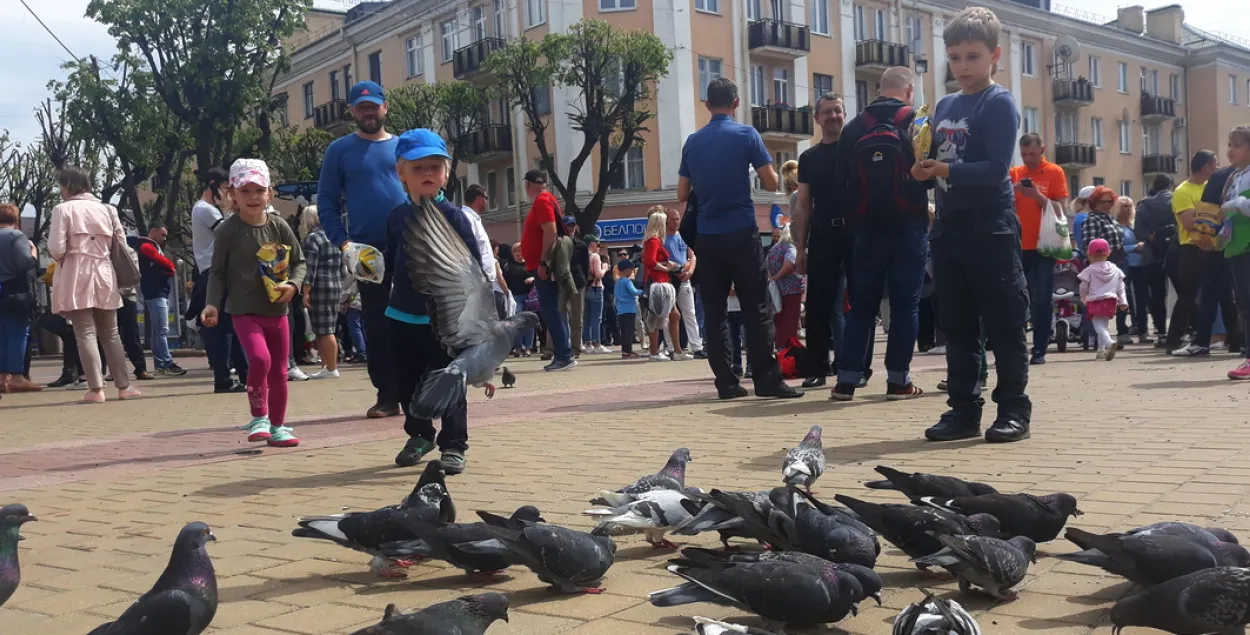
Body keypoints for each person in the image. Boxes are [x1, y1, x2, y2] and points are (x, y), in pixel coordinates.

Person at [911, 7, 1029, 443]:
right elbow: (942, 160)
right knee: (957, 325)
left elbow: (996, 168)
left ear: (994, 56)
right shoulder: (945, 104)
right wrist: (922, 170)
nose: (963, 66)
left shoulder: (998, 103)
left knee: (1003, 323)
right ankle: (963, 410)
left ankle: (1014, 410)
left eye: (973, 57)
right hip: (948, 228)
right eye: (955, 56)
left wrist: (941, 171)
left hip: (991, 227)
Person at [678, 77, 801, 400]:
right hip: (742, 231)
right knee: (756, 307)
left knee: (716, 311)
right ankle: (766, 380)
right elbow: (772, 182)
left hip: (707, 236)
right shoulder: (747, 134)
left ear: (707, 105)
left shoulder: (692, 141)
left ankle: (727, 383)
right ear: (736, 103)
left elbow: (681, 192)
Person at [385, 129, 480, 474]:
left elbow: (474, 270)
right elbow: (389, 263)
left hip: (447, 322)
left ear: (446, 173)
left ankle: (453, 444)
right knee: (406, 383)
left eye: (434, 167)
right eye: (418, 168)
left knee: (450, 383)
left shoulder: (456, 218)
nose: (427, 174)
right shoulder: (397, 217)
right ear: (401, 173)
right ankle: (420, 434)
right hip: (402, 316)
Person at [832, 66, 928, 401]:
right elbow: (928, 175)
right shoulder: (917, 122)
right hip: (909, 226)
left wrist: (855, 222)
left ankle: (846, 381)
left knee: (862, 307)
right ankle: (898, 381)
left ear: (877, 91)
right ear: (909, 90)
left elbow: (841, 182)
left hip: (867, 231)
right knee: (905, 305)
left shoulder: (854, 127)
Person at [317, 80, 410, 418]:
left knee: (417, 317)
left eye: (374, 105)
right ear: (353, 112)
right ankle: (387, 394)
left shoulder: (404, 146)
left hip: (409, 243)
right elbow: (326, 201)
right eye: (362, 107)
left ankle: (417, 388)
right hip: (366, 251)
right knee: (377, 322)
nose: (369, 111)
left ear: (385, 107)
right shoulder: (339, 150)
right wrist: (342, 243)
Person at [203, 159, 305, 447]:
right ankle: (259, 415)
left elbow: (299, 262)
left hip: (278, 310)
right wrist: (211, 304)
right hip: (244, 310)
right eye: (245, 190)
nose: (252, 197)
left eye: (258, 190)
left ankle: (279, 426)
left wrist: (293, 285)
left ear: (269, 194)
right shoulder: (228, 230)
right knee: (260, 359)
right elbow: (218, 272)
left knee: (280, 371)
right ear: (233, 194)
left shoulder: (280, 226)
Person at [47, 167, 143, 404]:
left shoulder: (63, 210)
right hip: (105, 272)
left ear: (68, 185)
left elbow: (56, 249)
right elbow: (121, 245)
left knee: (85, 333)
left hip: (75, 273)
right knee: (111, 333)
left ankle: (96, 389)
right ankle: (124, 385)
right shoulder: (108, 210)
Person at [792, 92, 852, 388]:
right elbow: (803, 204)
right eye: (827, 112)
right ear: (817, 119)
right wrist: (800, 246)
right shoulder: (809, 157)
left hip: (856, 232)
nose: (833, 116)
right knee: (818, 305)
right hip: (824, 235)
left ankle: (855, 367)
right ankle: (817, 368)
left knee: (861, 302)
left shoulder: (855, 150)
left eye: (838, 111)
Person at [1010, 132, 1069, 364]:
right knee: (1013, 297)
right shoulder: (1015, 173)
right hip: (1017, 246)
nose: (1028, 158)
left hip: (1044, 246)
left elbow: (1061, 210)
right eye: (1024, 154)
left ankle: (1040, 349)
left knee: (1042, 297)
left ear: (1042, 150)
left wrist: (1037, 196)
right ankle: (1015, 346)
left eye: (1032, 154)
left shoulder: (1054, 172)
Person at [191, 168, 247, 392]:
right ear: (213, 185)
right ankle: (224, 378)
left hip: (216, 271)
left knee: (229, 326)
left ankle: (241, 374)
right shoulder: (204, 209)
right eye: (225, 189)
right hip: (213, 273)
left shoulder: (206, 209)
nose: (227, 194)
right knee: (224, 327)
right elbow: (228, 232)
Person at [1165, 150, 1222, 355]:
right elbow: (1189, 223)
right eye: (1215, 163)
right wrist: (1211, 222)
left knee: (1216, 296)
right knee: (1188, 297)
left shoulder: (1211, 187)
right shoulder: (1182, 191)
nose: (1218, 166)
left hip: (1213, 247)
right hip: (1191, 248)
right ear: (1205, 167)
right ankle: (1173, 340)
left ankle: (1221, 338)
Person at [520, 170, 576, 371]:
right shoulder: (549, 198)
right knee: (551, 308)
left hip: (543, 265)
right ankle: (563, 353)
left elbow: (550, 231)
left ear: (528, 184)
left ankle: (564, 355)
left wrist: (543, 263)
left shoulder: (542, 201)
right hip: (543, 263)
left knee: (550, 309)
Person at [128, 224, 185, 376]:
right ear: (152, 231)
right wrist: (170, 267)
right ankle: (165, 362)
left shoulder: (147, 246)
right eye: (162, 234)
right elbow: (165, 263)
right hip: (156, 292)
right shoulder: (147, 246)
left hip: (156, 292)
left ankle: (161, 363)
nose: (164, 238)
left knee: (158, 330)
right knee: (161, 330)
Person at [1220, 126, 1250, 379]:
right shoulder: (1235, 176)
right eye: (1229, 144)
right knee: (1245, 303)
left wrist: (1241, 205)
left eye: (1237, 145)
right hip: (1238, 246)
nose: (1230, 150)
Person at [0, 203, 39, 396]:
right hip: (16, 290)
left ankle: (1, 377)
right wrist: (34, 253)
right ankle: (17, 377)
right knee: (18, 333)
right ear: (15, 220)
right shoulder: (16, 236)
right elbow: (25, 262)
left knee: (2, 335)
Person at [299, 206, 342, 379]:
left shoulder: (312, 239)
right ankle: (328, 366)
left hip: (319, 286)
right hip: (335, 284)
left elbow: (309, 268)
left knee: (324, 330)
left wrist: (305, 291)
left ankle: (331, 368)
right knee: (328, 327)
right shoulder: (334, 237)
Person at [1132, 174, 1175, 343]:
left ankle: (1161, 330)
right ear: (1170, 185)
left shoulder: (1145, 204)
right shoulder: (1177, 198)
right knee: (1184, 291)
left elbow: (1138, 231)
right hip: (1175, 249)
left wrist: (1151, 238)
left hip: (1152, 254)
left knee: (1157, 293)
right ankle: (1187, 328)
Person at [642, 208, 686, 362]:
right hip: (657, 282)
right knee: (655, 317)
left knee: (673, 315)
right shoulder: (653, 240)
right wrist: (667, 267)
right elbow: (650, 261)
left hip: (662, 282)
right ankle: (655, 352)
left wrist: (667, 266)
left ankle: (676, 350)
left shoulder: (655, 240)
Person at [458, 186, 508, 323]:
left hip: (483, 282)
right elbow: (466, 250)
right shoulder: (466, 218)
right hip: (477, 282)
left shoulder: (474, 219)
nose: (487, 202)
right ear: (479, 199)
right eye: (486, 198)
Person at [1079, 238, 1129, 361]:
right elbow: (1121, 287)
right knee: (1104, 325)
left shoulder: (1089, 270)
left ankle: (1109, 342)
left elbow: (1083, 286)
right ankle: (1101, 350)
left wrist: (1083, 297)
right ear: (1108, 253)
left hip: (1095, 300)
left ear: (1089, 254)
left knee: (1098, 326)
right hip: (1111, 300)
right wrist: (1123, 301)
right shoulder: (1116, 269)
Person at [664, 208, 703, 359]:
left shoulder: (683, 236)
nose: (676, 222)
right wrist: (675, 269)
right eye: (673, 219)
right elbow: (661, 258)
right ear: (667, 221)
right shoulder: (662, 238)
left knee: (690, 313)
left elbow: (692, 256)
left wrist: (690, 271)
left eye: (677, 218)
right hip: (670, 277)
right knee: (669, 314)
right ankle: (670, 346)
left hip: (685, 277)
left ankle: (697, 346)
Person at [766, 226, 804, 347]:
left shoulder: (773, 250)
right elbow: (788, 266)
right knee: (790, 320)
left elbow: (766, 267)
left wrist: (772, 279)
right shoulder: (790, 248)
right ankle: (788, 349)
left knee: (780, 319)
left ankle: (780, 346)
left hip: (777, 290)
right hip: (791, 289)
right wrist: (776, 277)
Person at [1116, 196, 1147, 342]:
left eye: (1129, 206)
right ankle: (1122, 331)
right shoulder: (1116, 227)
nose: (1127, 209)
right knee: (1125, 299)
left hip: (1140, 266)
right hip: (1124, 265)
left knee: (1142, 299)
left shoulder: (1134, 225)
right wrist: (1135, 247)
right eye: (1124, 206)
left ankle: (1142, 330)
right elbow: (1117, 248)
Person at [503, 242, 535, 356]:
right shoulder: (509, 266)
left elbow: (537, 276)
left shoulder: (529, 264)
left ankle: (528, 347)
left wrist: (532, 278)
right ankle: (517, 347)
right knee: (517, 323)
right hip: (515, 297)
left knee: (530, 323)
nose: (518, 253)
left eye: (520, 251)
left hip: (529, 298)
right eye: (515, 251)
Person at [583, 234, 609, 353]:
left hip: (585, 289)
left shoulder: (582, 256)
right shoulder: (595, 256)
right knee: (596, 318)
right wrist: (605, 268)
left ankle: (588, 344)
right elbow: (598, 275)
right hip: (596, 287)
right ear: (592, 243)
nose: (598, 246)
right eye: (597, 244)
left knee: (586, 318)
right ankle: (597, 344)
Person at [614, 259, 643, 359]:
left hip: (620, 310)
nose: (631, 272)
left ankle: (624, 350)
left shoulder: (617, 282)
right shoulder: (627, 281)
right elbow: (633, 291)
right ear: (626, 270)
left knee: (624, 331)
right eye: (630, 270)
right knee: (629, 332)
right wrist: (643, 292)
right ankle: (628, 351)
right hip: (629, 310)